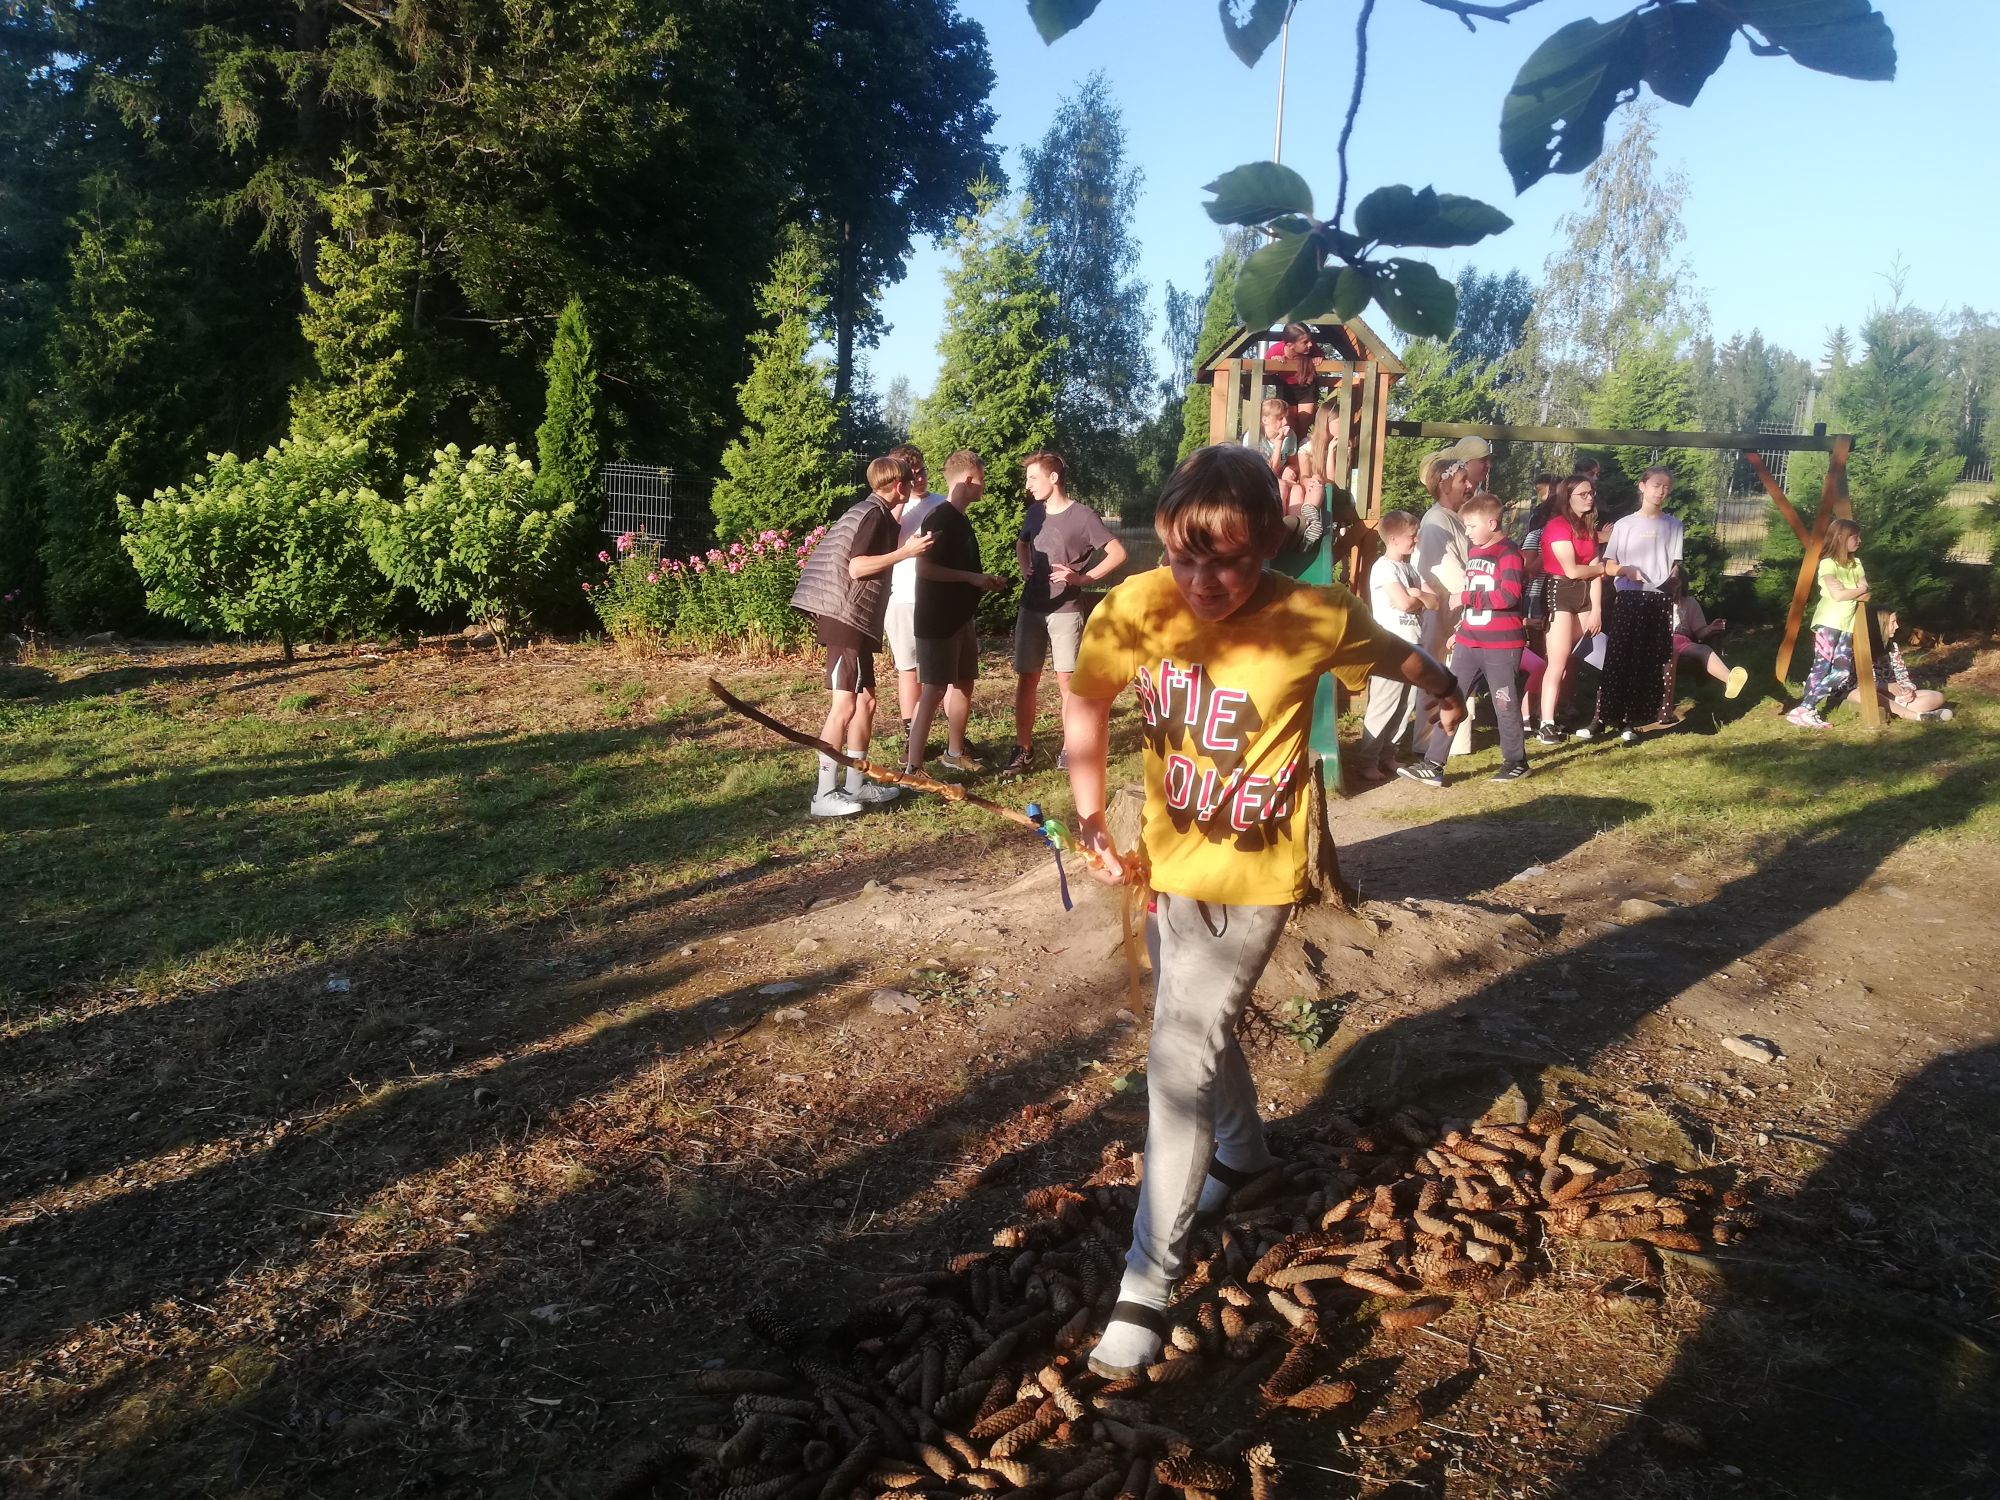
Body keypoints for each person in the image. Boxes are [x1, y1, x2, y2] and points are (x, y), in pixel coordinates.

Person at [1060, 443, 1462, 1379]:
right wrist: (1090, 814)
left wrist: (1444, 691)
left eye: (1228, 562)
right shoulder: (1134, 605)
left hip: (1253, 880)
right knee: (1196, 1027)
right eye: (1183, 558)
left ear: (1271, 543)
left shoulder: (1315, 614)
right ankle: (1243, 1159)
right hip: (1167, 863)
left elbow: (1398, 654)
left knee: (1178, 1056)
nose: (1201, 582)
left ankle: (1146, 1284)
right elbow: (1087, 703)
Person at [788, 456, 933, 816]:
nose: (914, 483)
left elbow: (891, 529)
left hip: (857, 620)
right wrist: (907, 552)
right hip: (845, 619)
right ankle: (823, 794)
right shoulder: (872, 515)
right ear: (898, 486)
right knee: (844, 706)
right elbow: (857, 567)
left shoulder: (878, 511)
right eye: (909, 480)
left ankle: (855, 784)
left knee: (866, 702)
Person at [1002, 451, 1127, 775]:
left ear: (1054, 478)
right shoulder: (1034, 513)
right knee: (1027, 677)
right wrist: (1025, 567)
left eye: (1033, 478)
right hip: (1031, 607)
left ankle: (1071, 748)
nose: (1028, 485)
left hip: (1066, 610)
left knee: (1066, 680)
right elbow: (1022, 544)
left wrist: (1083, 579)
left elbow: (1117, 553)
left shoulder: (1083, 516)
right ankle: (1023, 749)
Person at [1402, 492, 1530, 786]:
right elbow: (1476, 603)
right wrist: (1461, 628)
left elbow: (1509, 595)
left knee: (1504, 702)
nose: (1467, 533)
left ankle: (1516, 761)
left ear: (1492, 523)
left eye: (1472, 526)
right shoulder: (1474, 554)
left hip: (1501, 644)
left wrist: (1466, 597)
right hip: (1469, 641)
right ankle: (1433, 764)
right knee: (1450, 698)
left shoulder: (1509, 554)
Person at [907, 450, 1007, 775]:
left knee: (964, 683)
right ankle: (912, 768)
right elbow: (924, 569)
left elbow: (959, 569)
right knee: (934, 690)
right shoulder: (939, 519)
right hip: (938, 621)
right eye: (982, 479)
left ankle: (954, 753)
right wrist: (970, 578)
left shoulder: (960, 519)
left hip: (961, 618)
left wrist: (981, 580)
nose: (984, 486)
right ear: (967, 480)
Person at [1596, 466, 1683, 745]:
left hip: (1658, 600)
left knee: (1647, 661)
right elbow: (1608, 566)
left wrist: (1672, 581)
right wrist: (1626, 570)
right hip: (1629, 598)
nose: (1661, 492)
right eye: (1656, 485)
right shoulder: (1625, 525)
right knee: (1618, 657)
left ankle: (1633, 719)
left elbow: (1674, 565)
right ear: (1642, 486)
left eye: (1666, 487)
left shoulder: (1674, 525)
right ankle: (1602, 716)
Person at [1356, 509, 1437, 780]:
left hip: (1414, 643)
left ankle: (1388, 754)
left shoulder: (1411, 569)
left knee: (1405, 704)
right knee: (1384, 703)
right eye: (1412, 536)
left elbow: (1435, 602)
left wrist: (1417, 594)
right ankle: (1368, 760)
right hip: (1390, 645)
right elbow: (1403, 603)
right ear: (1393, 539)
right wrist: (1417, 598)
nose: (1416, 540)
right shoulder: (1384, 568)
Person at [1535, 474, 1609, 743]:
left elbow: (1594, 572)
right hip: (1561, 592)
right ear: (1568, 498)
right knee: (1558, 660)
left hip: (1585, 594)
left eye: (1591, 493)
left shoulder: (1587, 528)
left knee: (1591, 654)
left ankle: (1598, 712)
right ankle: (1545, 723)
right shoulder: (1557, 526)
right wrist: (1601, 568)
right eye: (1583, 494)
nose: (1590, 498)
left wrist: (1597, 609)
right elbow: (1573, 570)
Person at [881, 445, 946, 742]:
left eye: (922, 472)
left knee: (941, 671)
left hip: (937, 597)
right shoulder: (888, 508)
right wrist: (900, 501)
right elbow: (884, 539)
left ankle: (951, 735)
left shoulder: (942, 503)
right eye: (911, 475)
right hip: (902, 598)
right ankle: (911, 734)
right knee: (908, 668)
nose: (919, 479)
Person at [1413, 451, 1474, 751]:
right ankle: (1429, 741)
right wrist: (1471, 591)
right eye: (1463, 480)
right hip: (1441, 609)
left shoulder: (1456, 517)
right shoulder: (1436, 519)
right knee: (1436, 672)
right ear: (1444, 485)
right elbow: (1440, 566)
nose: (1470, 485)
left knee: (1456, 671)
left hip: (1458, 605)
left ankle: (1453, 740)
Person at [1788, 518, 1868, 728]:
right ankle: (1807, 711)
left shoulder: (1857, 564)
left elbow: (1865, 590)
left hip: (1847, 625)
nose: (1859, 541)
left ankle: (1804, 708)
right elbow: (1838, 595)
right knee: (1821, 666)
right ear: (1841, 538)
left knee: (1842, 672)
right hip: (1828, 622)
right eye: (1855, 537)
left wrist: (1854, 590)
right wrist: (1858, 590)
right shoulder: (1827, 564)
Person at [1868, 606, 1953, 722]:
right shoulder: (1862, 650)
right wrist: (1885, 686)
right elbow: (1858, 684)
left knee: (1937, 697)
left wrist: (1907, 689)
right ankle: (1907, 712)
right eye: (1893, 622)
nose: (1897, 626)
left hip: (1896, 695)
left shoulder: (1892, 647)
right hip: (1873, 695)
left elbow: (1901, 673)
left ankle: (1897, 709)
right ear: (1880, 625)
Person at [1670, 591, 1750, 702]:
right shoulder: (1653, 599)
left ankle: (1729, 679)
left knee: (1704, 650)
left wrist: (1710, 628)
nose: (1673, 586)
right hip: (1658, 643)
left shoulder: (1689, 603)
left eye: (1677, 583)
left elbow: (1699, 632)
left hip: (1682, 642)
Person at [1248, 397, 1308, 515]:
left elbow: (1294, 463)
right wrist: (1279, 442)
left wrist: (1290, 468)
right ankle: (1278, 523)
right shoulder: (1254, 437)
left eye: (1285, 417)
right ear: (1265, 419)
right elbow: (1270, 472)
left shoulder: (1290, 435)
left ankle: (1296, 524)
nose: (1285, 422)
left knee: (1298, 489)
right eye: (1280, 418)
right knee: (1282, 487)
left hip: (1279, 478)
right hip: (1258, 481)